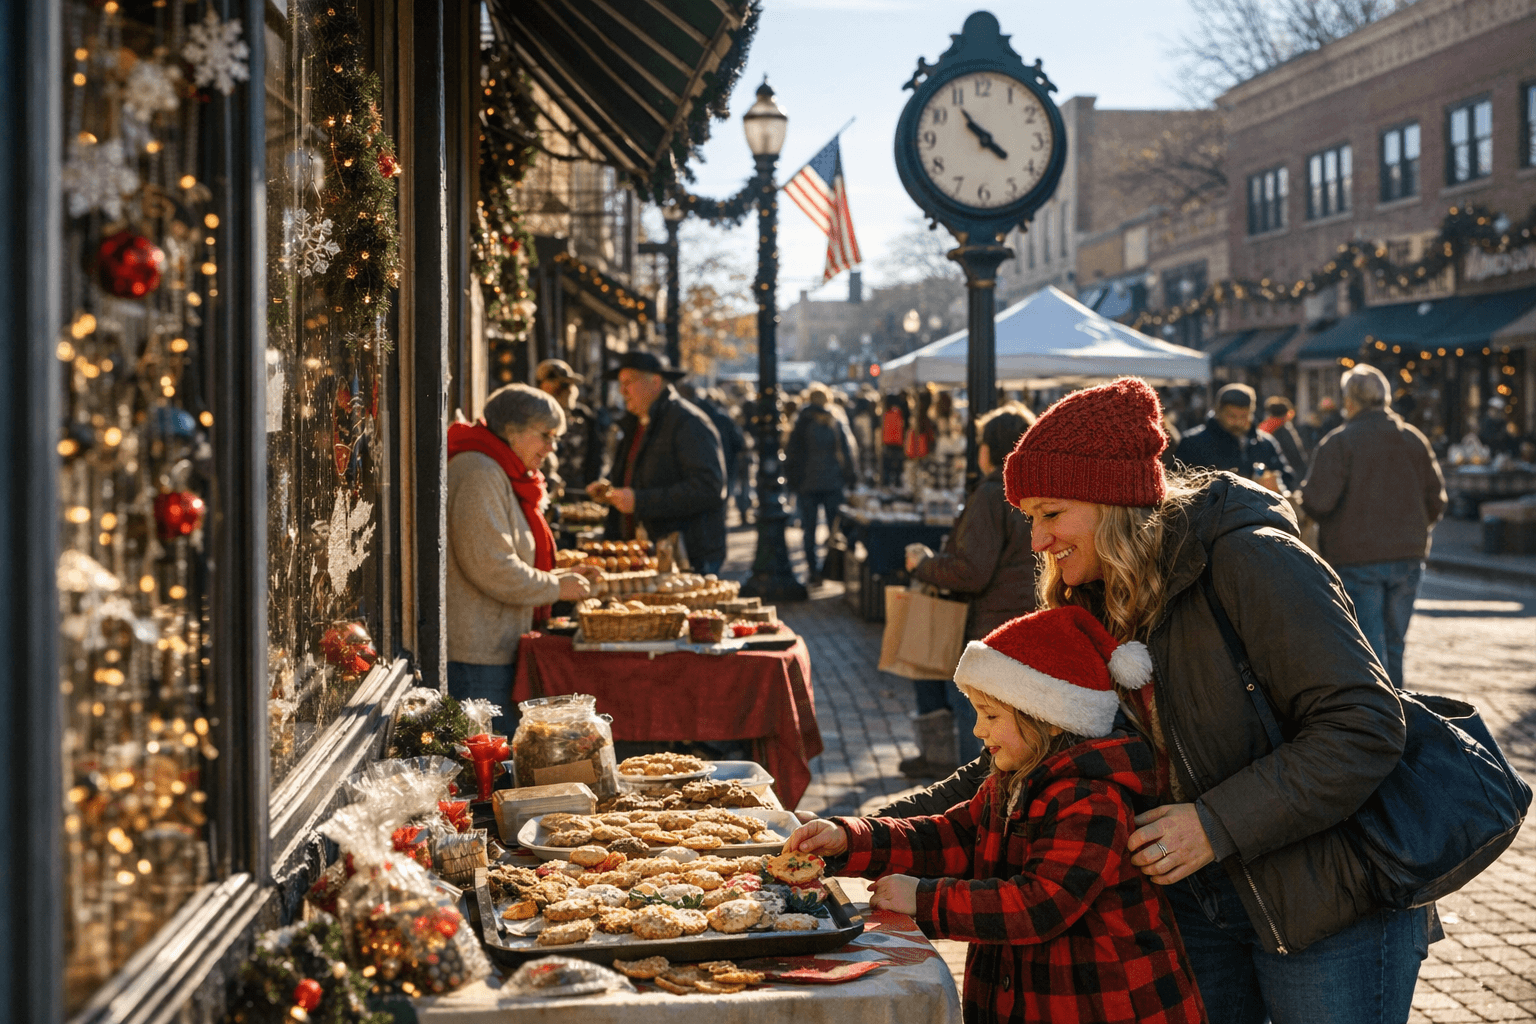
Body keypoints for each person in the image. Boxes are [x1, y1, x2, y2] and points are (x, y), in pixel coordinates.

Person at [887, 377, 1427, 1023]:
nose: (1037, 541)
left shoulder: (1253, 559)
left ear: (1114, 502)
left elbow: (1361, 726)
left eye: (1051, 513)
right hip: (1193, 906)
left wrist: (1214, 824)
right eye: (1031, 517)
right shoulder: (1090, 592)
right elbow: (1024, 751)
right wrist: (864, 832)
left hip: (1326, 902)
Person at [785, 606, 1207, 1024]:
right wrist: (851, 838)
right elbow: (951, 836)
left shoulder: (1092, 799)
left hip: (1104, 1003)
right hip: (1026, 999)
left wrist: (926, 899)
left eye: (991, 715)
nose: (977, 730)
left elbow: (1042, 904)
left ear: (1050, 719)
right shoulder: (1010, 780)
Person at [445, 384, 594, 734]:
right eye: (545, 435)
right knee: (490, 762)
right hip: (477, 656)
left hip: (496, 647)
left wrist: (563, 575)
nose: (551, 448)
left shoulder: (496, 468)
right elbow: (494, 567)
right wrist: (557, 586)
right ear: (512, 430)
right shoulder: (478, 472)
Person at [899, 404, 1037, 777]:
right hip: (1024, 619)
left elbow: (972, 571)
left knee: (977, 722)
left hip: (989, 628)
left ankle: (974, 803)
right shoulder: (1034, 493)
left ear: (989, 449)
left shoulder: (993, 495)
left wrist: (924, 564)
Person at [1301, 364, 1446, 689]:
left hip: (1357, 557)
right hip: (1408, 556)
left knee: (1368, 650)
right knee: (1394, 647)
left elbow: (1318, 502)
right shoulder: (1413, 439)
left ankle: (1381, 725)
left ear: (1349, 401)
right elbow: (1436, 500)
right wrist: (1414, 529)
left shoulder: (1340, 442)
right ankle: (1400, 716)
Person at [587, 351, 727, 574]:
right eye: (620, 384)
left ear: (655, 381)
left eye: (628, 383)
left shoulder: (687, 422)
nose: (622, 391)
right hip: (644, 553)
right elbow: (636, 473)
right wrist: (608, 488)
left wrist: (639, 501)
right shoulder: (635, 422)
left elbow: (708, 487)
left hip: (685, 557)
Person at [784, 383, 858, 584]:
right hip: (833, 482)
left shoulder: (801, 421)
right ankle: (831, 568)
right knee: (834, 530)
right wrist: (851, 477)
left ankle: (813, 571)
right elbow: (846, 452)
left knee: (809, 530)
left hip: (806, 483)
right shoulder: (834, 420)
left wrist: (791, 481)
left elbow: (791, 453)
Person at [1173, 382, 1294, 491]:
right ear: (1218, 412)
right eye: (1232, 416)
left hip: (1257, 513)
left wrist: (1278, 485)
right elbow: (1178, 486)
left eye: (1244, 416)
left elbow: (1287, 478)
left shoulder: (1266, 443)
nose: (1238, 422)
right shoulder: (1192, 443)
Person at [534, 358, 603, 493]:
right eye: (563, 386)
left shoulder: (583, 416)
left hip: (577, 490)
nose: (569, 391)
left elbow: (595, 455)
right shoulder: (533, 418)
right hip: (542, 488)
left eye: (569, 386)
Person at [1257, 395, 1308, 481]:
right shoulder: (1284, 429)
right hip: (1283, 475)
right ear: (1286, 413)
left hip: (1265, 476)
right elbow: (1295, 455)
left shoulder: (1262, 427)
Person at [880, 392, 907, 487]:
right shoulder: (897, 412)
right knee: (897, 465)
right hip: (897, 442)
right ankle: (897, 483)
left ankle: (887, 483)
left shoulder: (884, 412)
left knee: (887, 465)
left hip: (887, 442)